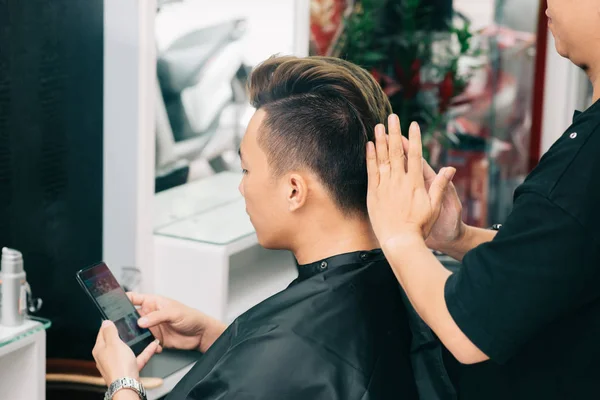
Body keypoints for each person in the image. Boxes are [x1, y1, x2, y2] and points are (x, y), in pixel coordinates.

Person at [92, 56, 420, 400]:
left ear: (294, 190)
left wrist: (121, 382)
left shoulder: (285, 350)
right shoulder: (404, 281)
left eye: (246, 170)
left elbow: (286, 364)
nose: (242, 187)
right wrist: (219, 337)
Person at [365, 1, 600, 398]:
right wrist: (458, 238)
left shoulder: (585, 165)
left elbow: (467, 333)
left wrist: (399, 235)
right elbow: (565, 257)